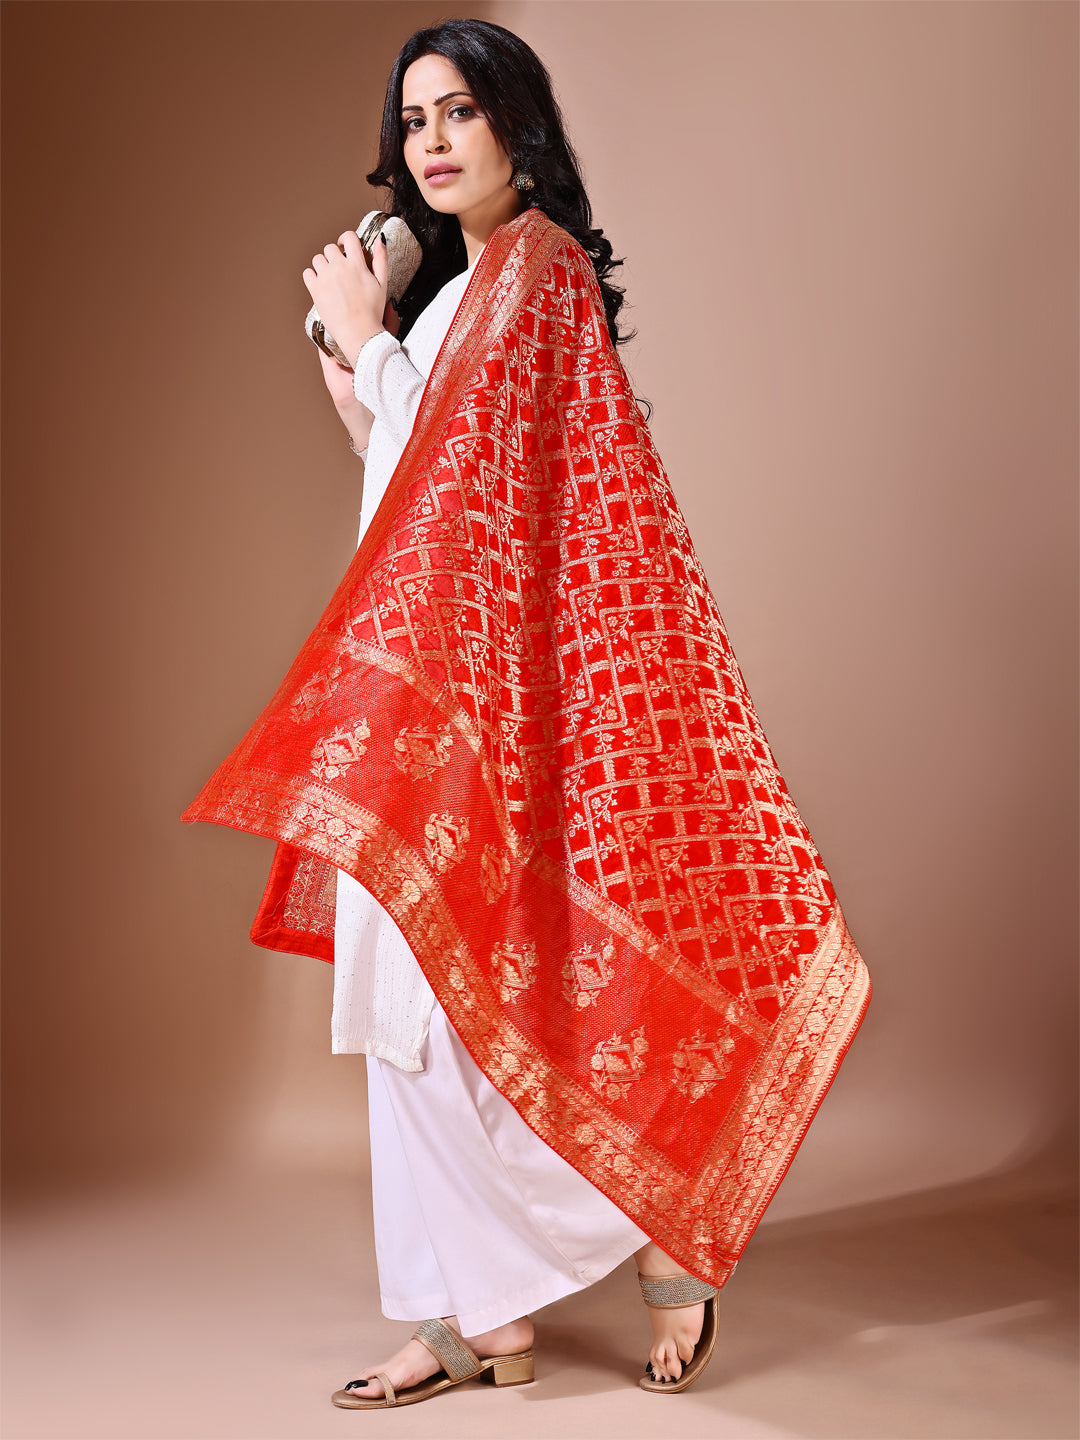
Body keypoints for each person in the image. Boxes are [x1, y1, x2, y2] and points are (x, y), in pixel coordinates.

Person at [183, 17, 870, 1412]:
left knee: (501, 992)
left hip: (507, 703)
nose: (430, 143)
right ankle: (462, 1315)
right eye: (412, 121)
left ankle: (663, 1239)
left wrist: (374, 343)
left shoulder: (539, 268)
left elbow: (489, 484)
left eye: (458, 113)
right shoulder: (455, 289)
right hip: (422, 680)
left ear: (517, 127)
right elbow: (413, 482)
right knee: (411, 1006)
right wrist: (358, 351)